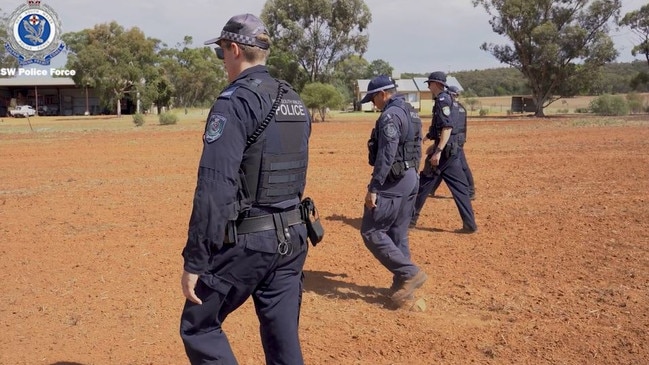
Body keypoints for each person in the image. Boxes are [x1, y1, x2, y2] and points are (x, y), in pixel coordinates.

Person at [179, 13, 312, 365]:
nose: (223, 61)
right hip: (294, 238)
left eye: (222, 52)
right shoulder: (295, 99)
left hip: (250, 243)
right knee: (283, 339)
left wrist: (196, 259)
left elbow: (215, 185)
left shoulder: (234, 101)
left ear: (235, 49)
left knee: (198, 325)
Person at [359, 75, 428, 307]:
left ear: (383, 94)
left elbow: (387, 153)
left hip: (394, 180)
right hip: (410, 178)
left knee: (371, 231)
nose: (372, 104)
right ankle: (403, 289)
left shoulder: (390, 115)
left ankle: (410, 272)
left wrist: (374, 187)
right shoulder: (410, 111)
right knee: (398, 233)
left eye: (373, 98)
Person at [410, 71, 477, 233]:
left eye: (429, 83)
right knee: (460, 188)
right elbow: (438, 128)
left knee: (424, 183)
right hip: (452, 151)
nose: (428, 86)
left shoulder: (442, 100)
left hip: (444, 152)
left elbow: (447, 127)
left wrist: (437, 150)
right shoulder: (449, 100)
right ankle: (470, 224)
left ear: (436, 84)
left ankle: (409, 221)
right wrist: (427, 138)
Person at [428, 85, 476, 200]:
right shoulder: (461, 107)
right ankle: (431, 188)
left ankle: (469, 191)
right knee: (443, 165)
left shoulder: (452, 108)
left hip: (452, 141)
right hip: (459, 140)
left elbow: (448, 127)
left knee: (446, 164)